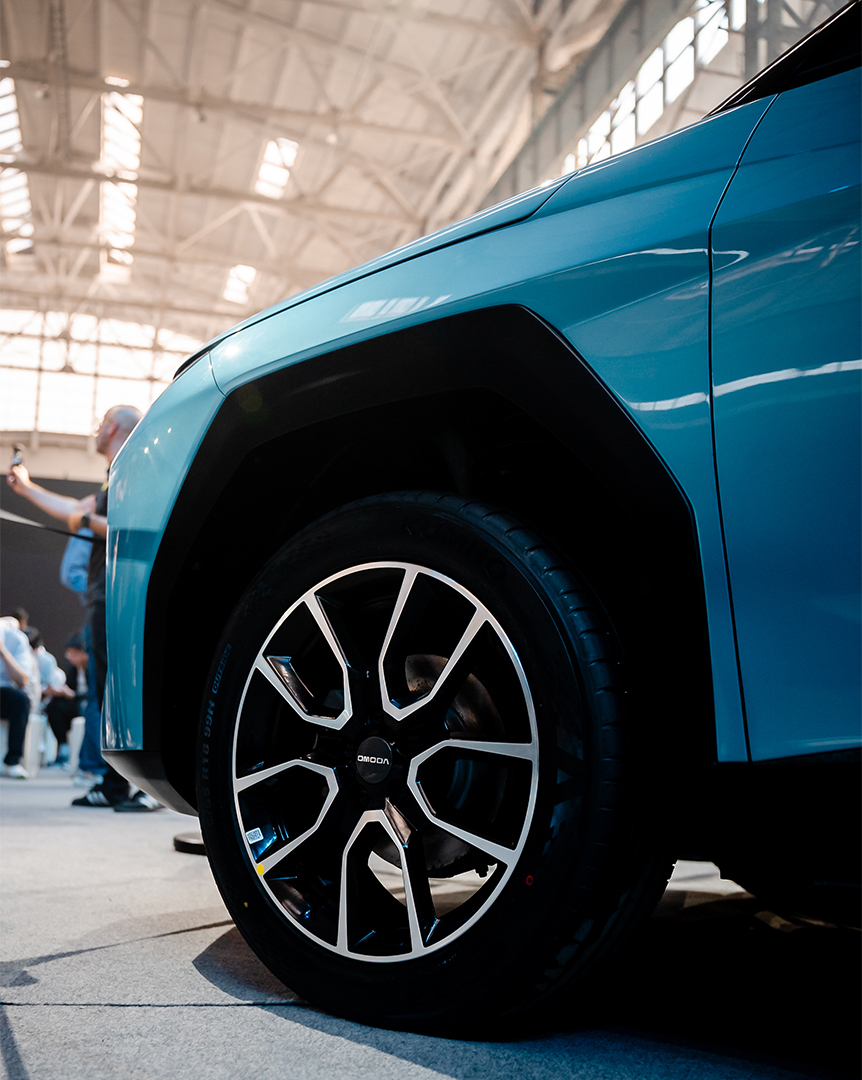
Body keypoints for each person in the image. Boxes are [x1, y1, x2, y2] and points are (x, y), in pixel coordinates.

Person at [5, 405, 156, 808]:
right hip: (105, 596)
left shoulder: (135, 472)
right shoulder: (114, 478)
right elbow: (76, 510)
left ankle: (123, 785)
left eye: (101, 422)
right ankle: (116, 783)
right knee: (108, 692)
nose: (96, 429)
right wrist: (25, 487)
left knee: (114, 692)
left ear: (112, 427)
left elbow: (133, 528)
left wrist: (88, 522)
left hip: (115, 595)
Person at [0, 615, 34, 778]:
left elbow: (22, 679)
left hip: (4, 692)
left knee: (21, 700)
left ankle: (13, 761)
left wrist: (3, 651)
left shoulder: (16, 638)